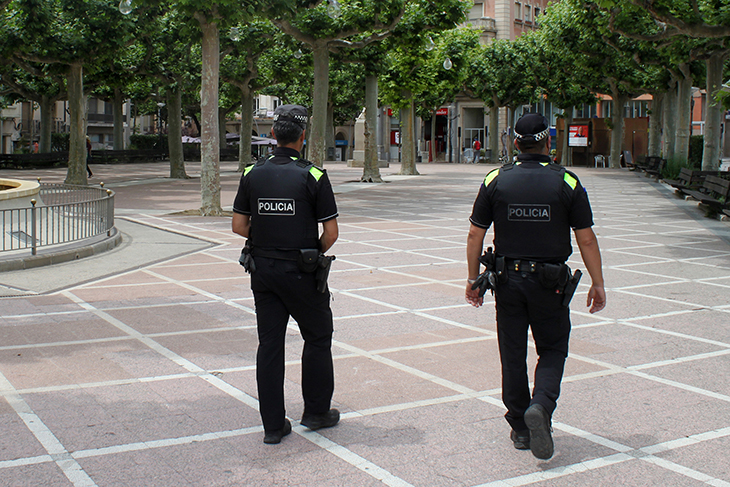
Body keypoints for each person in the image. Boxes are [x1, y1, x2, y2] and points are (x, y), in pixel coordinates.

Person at [465, 113, 606, 460]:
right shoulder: (567, 183)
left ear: (515, 143)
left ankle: (520, 427)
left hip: (508, 281)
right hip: (550, 285)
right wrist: (598, 283)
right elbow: (586, 239)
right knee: (553, 349)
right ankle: (541, 406)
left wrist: (472, 280)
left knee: (512, 354)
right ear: (549, 143)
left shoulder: (496, 179)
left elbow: (474, 233)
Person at [232, 104, 340, 445]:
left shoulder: (252, 172)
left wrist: (267, 237)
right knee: (318, 337)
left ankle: (273, 426)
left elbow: (238, 226)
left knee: (270, 344)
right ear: (303, 137)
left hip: (263, 271)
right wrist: (312, 251)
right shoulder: (314, 176)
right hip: (302, 272)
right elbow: (332, 233)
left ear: (274, 135)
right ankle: (316, 412)